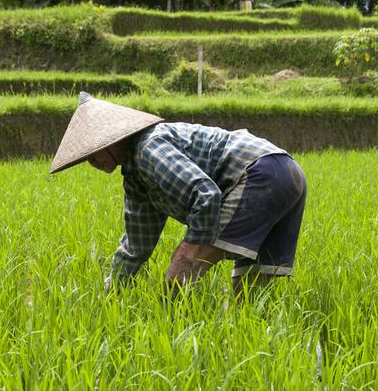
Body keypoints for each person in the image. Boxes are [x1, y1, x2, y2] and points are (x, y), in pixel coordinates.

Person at [50, 92, 307, 295]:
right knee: (251, 297)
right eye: (86, 156)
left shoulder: (149, 148)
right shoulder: (136, 178)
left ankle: (173, 330)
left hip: (258, 174)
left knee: (180, 272)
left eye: (94, 151)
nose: (91, 161)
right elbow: (136, 245)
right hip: (286, 171)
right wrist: (112, 288)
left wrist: (189, 251)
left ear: (114, 140)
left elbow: (205, 194)